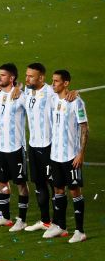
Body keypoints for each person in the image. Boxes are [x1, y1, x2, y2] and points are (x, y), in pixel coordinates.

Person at [43, 70, 89, 242]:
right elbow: (29, 85)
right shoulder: (53, 99)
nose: (53, 84)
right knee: (58, 189)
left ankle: (80, 231)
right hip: (55, 155)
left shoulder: (76, 102)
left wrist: (81, 153)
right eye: (52, 81)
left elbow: (84, 129)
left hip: (71, 156)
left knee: (74, 191)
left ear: (66, 83)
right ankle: (61, 226)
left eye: (56, 81)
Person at [0, 63, 29, 229]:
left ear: (12, 78)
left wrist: (19, 86)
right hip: (0, 147)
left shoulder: (20, 95)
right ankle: (5, 216)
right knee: (1, 182)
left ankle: (22, 220)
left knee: (21, 184)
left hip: (16, 147)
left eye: (3, 75)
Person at [22, 62, 58, 233]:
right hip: (33, 145)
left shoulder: (51, 94)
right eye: (26, 75)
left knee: (54, 185)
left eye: (31, 76)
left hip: (49, 146)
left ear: (41, 78)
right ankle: (45, 221)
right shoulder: (27, 92)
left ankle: (58, 224)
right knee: (39, 184)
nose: (27, 78)